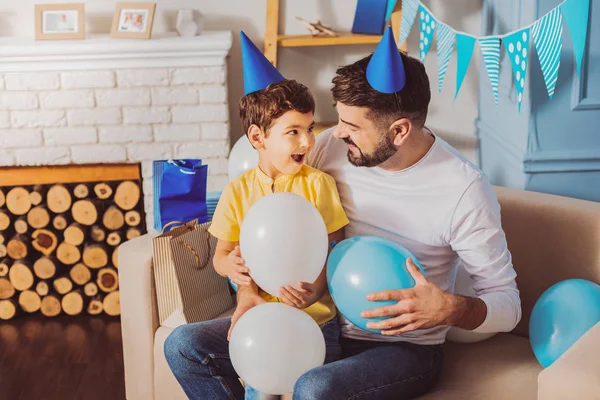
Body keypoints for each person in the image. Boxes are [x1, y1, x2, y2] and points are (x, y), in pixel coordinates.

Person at [236, 27, 521, 399]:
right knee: (186, 346)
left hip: (406, 349)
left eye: (351, 127)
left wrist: (450, 308)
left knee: (314, 387)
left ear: (399, 131)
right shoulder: (329, 149)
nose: (336, 134)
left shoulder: (464, 189)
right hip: (323, 324)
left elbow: (508, 304)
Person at [164, 31, 349, 400]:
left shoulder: (319, 185)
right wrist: (233, 272)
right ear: (257, 137)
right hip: (259, 320)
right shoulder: (238, 192)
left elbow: (335, 251)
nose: (307, 142)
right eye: (293, 132)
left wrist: (315, 289)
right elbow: (221, 255)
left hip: (314, 322)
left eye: (309, 129)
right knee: (258, 391)